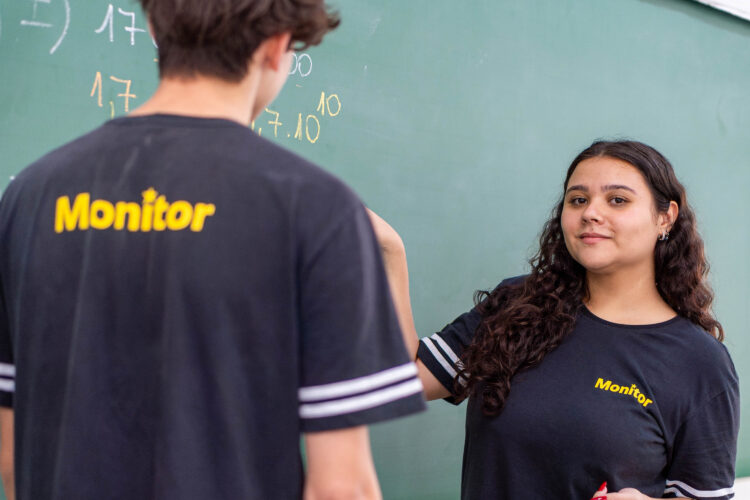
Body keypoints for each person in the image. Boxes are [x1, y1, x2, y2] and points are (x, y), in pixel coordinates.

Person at [0, 1, 426, 499]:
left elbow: (12, 456)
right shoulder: (315, 208)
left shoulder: (31, 194)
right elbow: (342, 488)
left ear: (157, 29)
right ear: (276, 45)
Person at [369, 140, 739, 500]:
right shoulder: (516, 307)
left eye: (617, 200)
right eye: (578, 199)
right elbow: (399, 380)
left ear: (665, 218)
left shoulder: (699, 362)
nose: (591, 212)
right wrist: (390, 252)